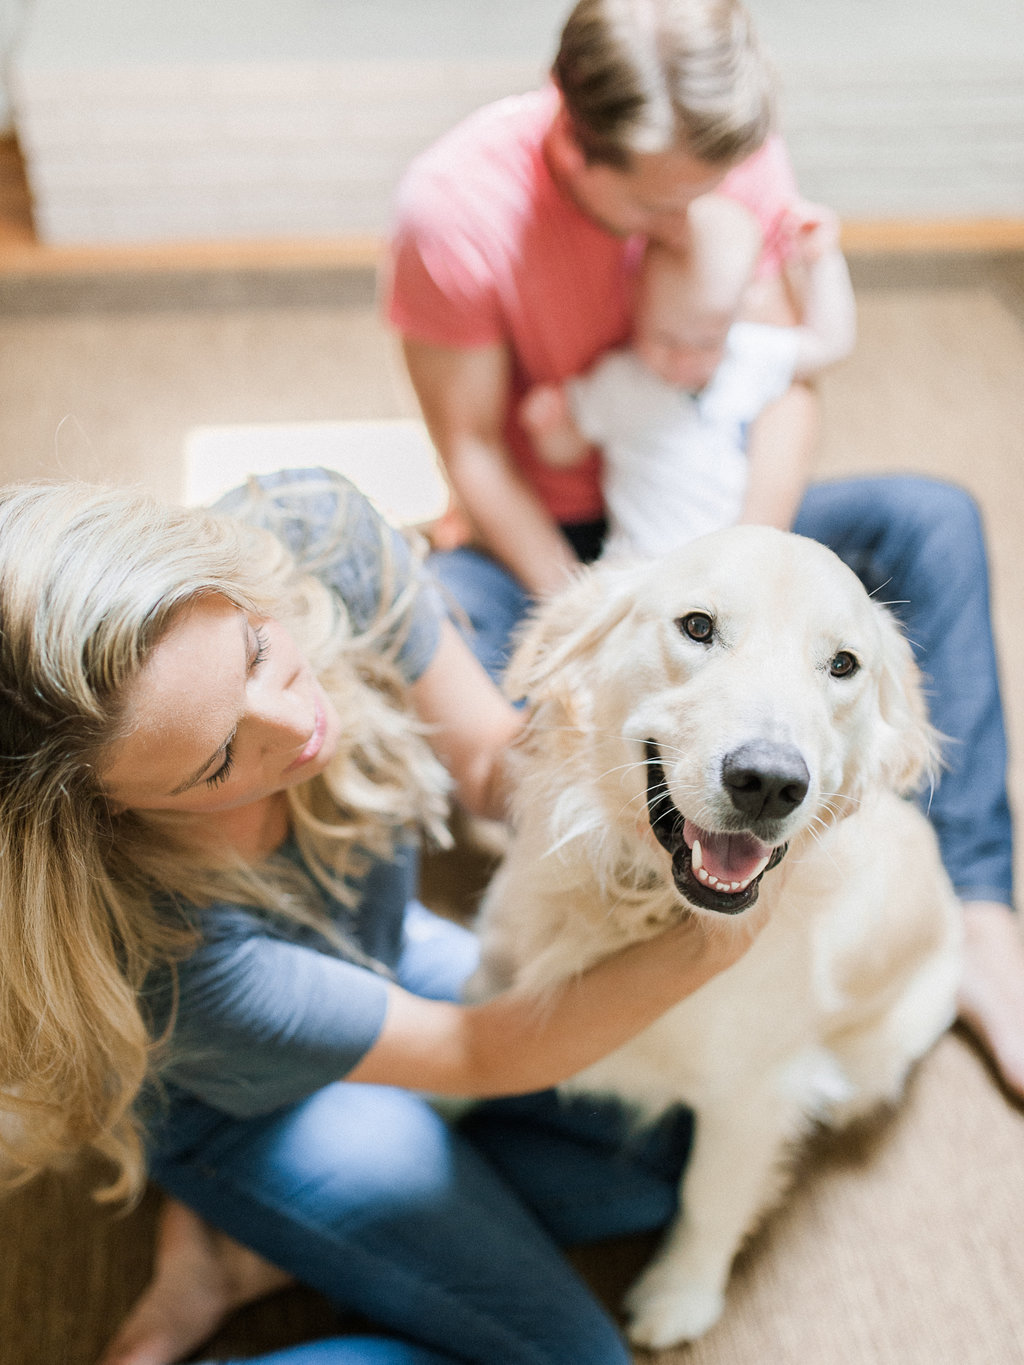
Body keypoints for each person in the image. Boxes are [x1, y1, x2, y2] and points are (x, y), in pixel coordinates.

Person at [385, 0, 1024, 1099]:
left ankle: (976, 914)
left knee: (932, 517)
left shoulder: (725, 152)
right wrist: (616, 608)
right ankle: (570, 871)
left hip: (724, 514)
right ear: (574, 137)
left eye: (709, 185)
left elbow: (781, 380)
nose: (694, 213)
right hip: (553, 536)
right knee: (434, 619)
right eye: (660, 196)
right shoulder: (453, 209)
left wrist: (750, 569)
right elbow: (477, 454)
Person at [0, 468, 768, 1365]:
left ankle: (265, 1251)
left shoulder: (319, 536)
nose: (297, 723)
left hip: (382, 955)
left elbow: (490, 766)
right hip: (252, 1107)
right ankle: (249, 1211)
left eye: (254, 651)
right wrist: (723, 934)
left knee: (661, 1165)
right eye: (217, 761)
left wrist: (676, 779)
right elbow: (481, 1052)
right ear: (105, 814)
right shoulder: (170, 960)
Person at [519, 192, 855, 558]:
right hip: (638, 566)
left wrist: (823, 259)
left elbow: (831, 344)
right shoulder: (621, 380)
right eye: (664, 340)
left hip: (729, 562)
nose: (682, 361)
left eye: (706, 344)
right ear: (637, 306)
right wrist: (547, 426)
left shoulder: (748, 356)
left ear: (737, 314)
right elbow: (566, 450)